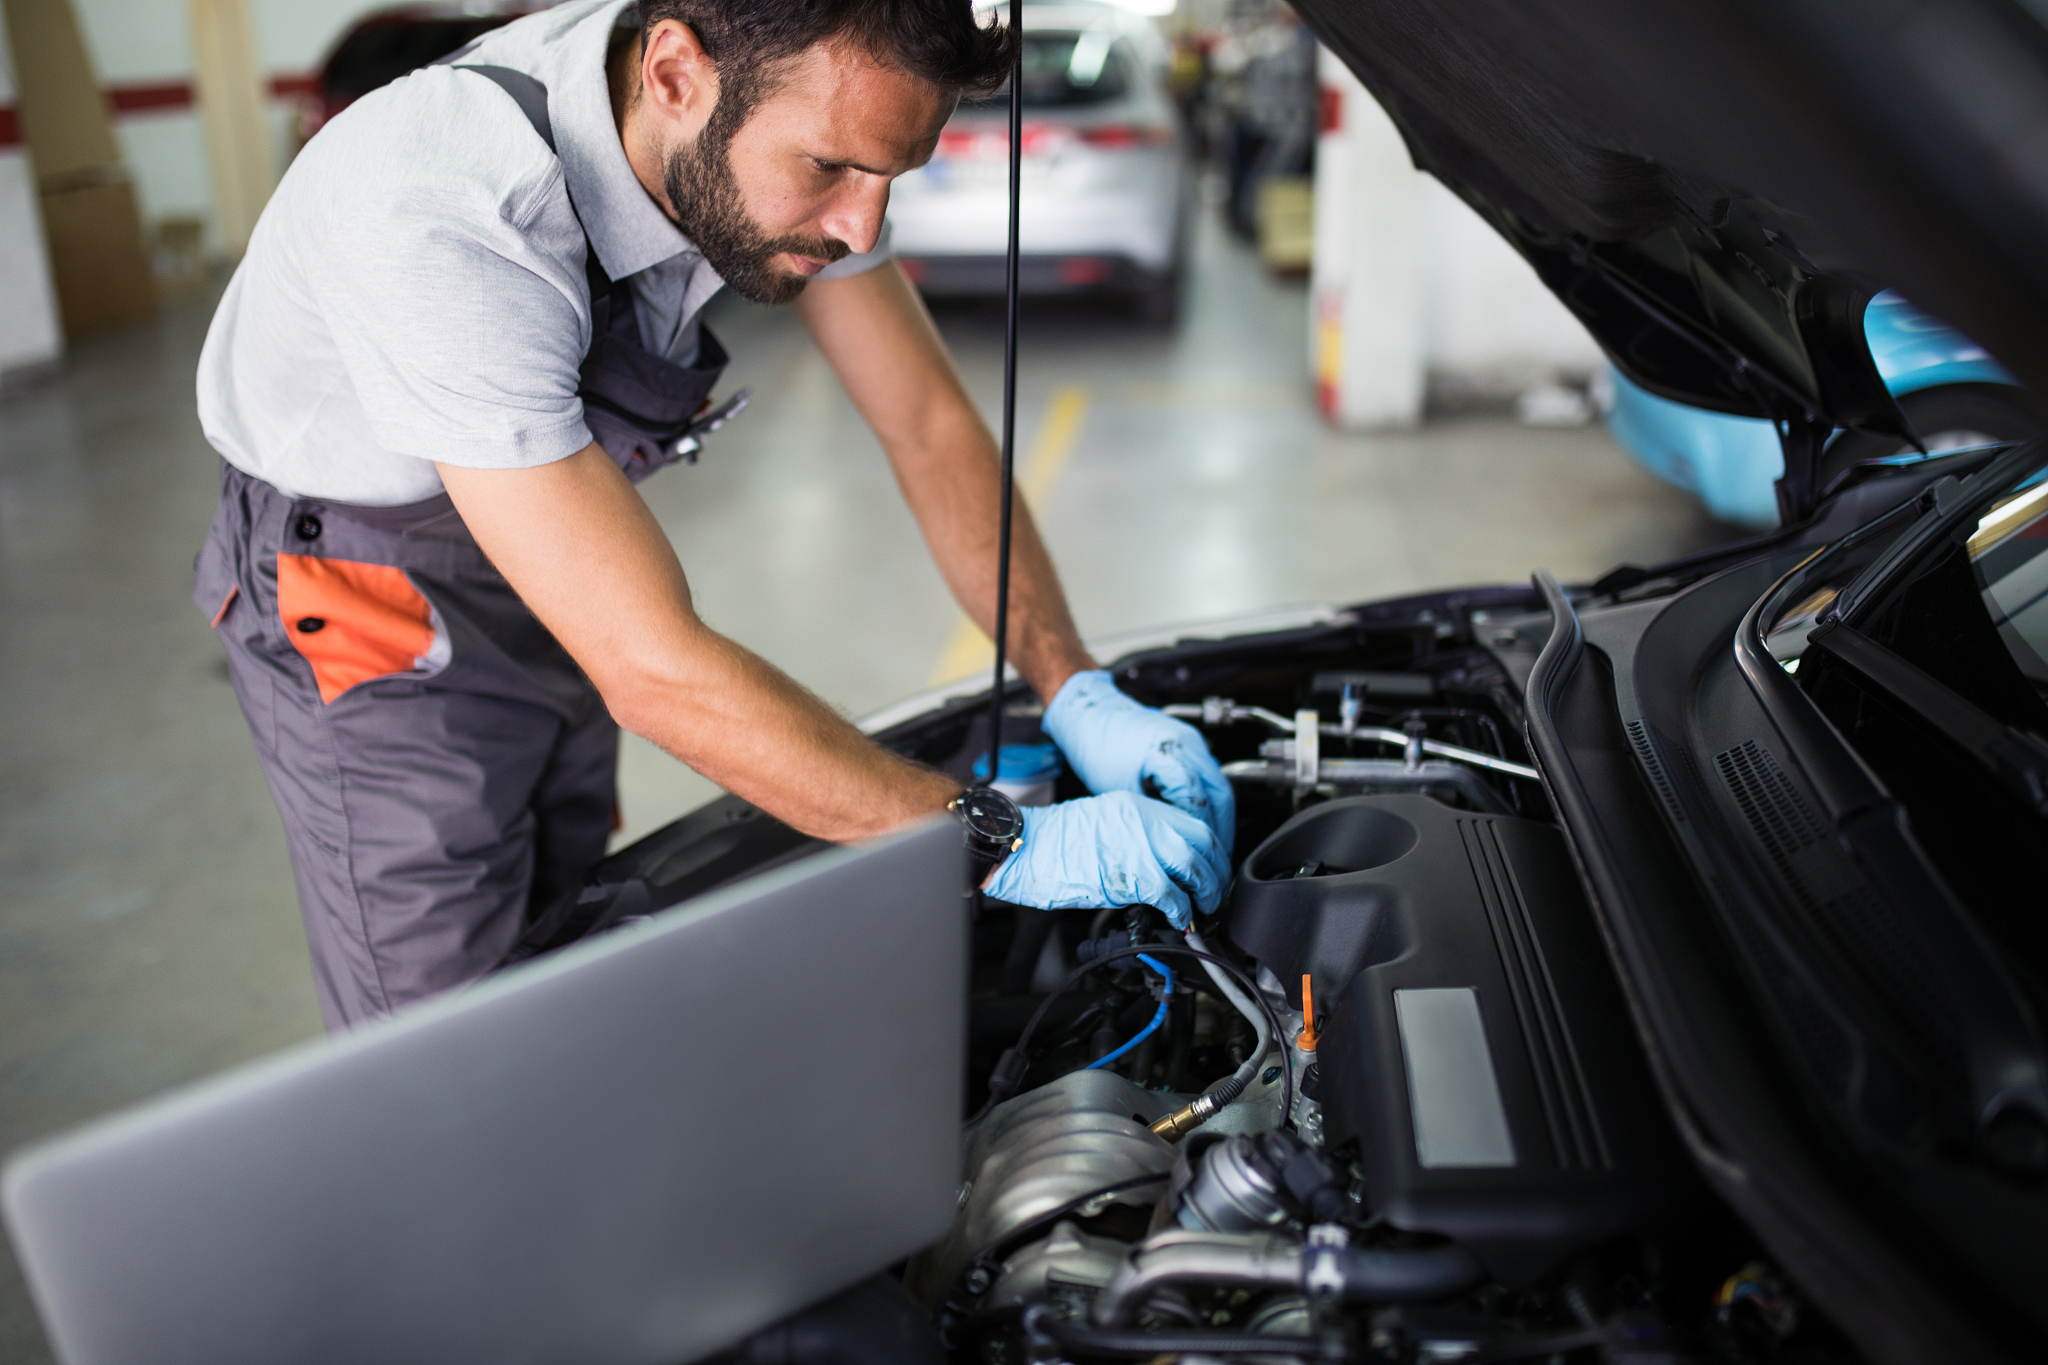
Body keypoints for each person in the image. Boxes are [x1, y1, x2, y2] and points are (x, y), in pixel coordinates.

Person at [193, 0, 1233, 1031]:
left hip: (536, 542)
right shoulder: (449, 217)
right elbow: (650, 670)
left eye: (891, 177)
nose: (862, 227)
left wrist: (1075, 688)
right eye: (829, 169)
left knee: (558, 935)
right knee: (440, 1040)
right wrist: (1002, 841)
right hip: (362, 591)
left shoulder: (793, 105)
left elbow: (924, 421)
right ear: (675, 76)